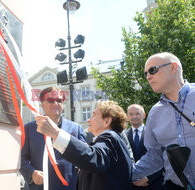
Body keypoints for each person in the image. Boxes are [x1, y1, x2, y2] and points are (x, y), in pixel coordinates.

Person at [36, 100, 133, 190]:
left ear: (107, 121)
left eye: (94, 115)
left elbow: (94, 158)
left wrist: (56, 133)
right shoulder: (113, 139)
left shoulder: (110, 137)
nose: (88, 120)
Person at [133, 52, 195, 190]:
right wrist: (126, 174)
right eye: (146, 73)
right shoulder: (154, 113)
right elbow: (154, 155)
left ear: (173, 68)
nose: (148, 76)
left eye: (152, 70)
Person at [20, 87, 86, 190]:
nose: (55, 104)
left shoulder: (76, 128)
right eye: (50, 100)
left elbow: (84, 157)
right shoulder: (29, 128)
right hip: (39, 186)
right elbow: (21, 158)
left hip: (68, 186)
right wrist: (31, 173)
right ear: (42, 104)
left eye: (59, 100)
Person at [126, 104, 164, 190]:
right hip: (131, 185)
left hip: (152, 184)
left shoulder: (155, 134)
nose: (134, 116)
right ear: (127, 116)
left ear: (144, 115)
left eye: (137, 113)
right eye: (131, 114)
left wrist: (148, 178)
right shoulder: (123, 136)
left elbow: (163, 159)